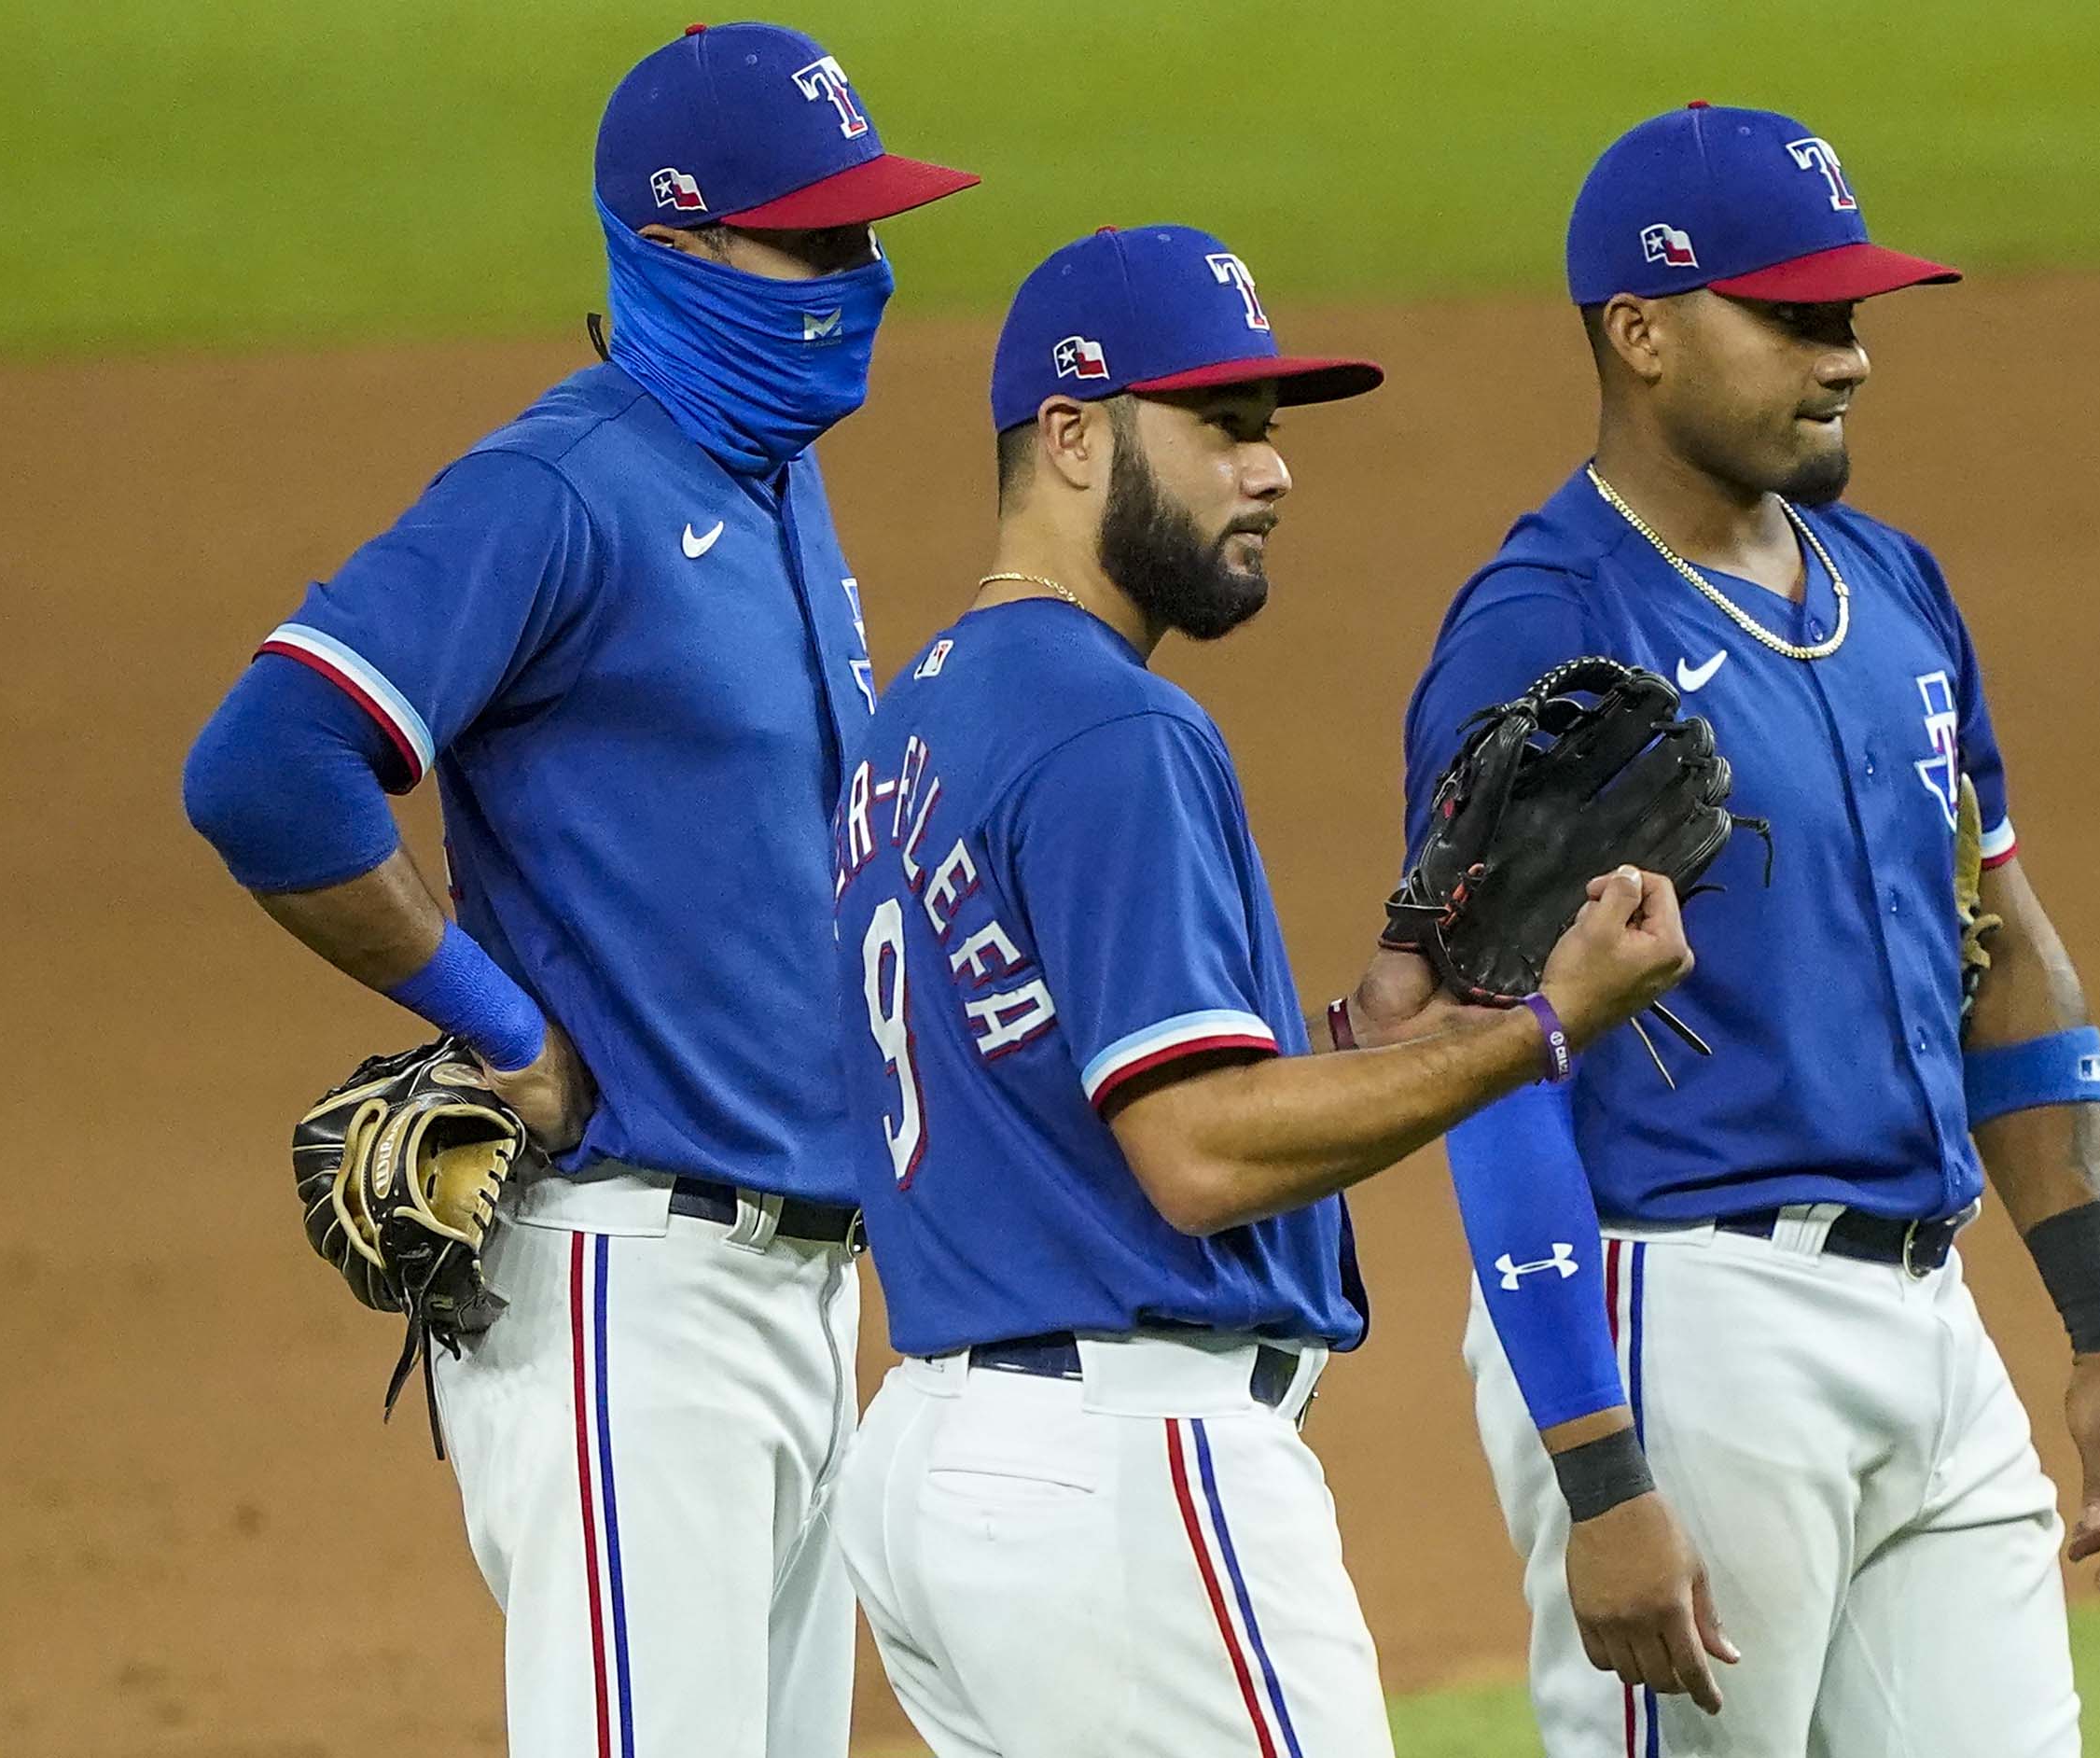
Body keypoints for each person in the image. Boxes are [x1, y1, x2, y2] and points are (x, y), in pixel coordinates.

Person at [179, 23, 975, 1755]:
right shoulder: (560, 489)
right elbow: (262, 764)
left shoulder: (771, 478)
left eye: (864, 236)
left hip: (805, 1299)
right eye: (811, 240)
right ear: (676, 241)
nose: (859, 276)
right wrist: (496, 1019)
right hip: (634, 1296)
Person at [827, 222, 1694, 1757]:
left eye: (1270, 431)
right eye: (1220, 427)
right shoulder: (1115, 731)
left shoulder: (925, 714)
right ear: (1076, 436)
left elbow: (1066, 1097)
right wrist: (1539, 1026)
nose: (1271, 469)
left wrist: (1366, 1047)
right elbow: (1200, 1153)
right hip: (1127, 1474)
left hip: (947, 1466)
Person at [1404, 104, 2100, 1756]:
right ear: (1640, 333)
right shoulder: (1547, 629)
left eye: (1850, 317)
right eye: (1793, 318)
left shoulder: (1895, 588)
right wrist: (1600, 1469)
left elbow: (2008, 950)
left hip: (1932, 1316)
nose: (1845, 360)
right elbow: (1481, 1061)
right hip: (1685, 1321)